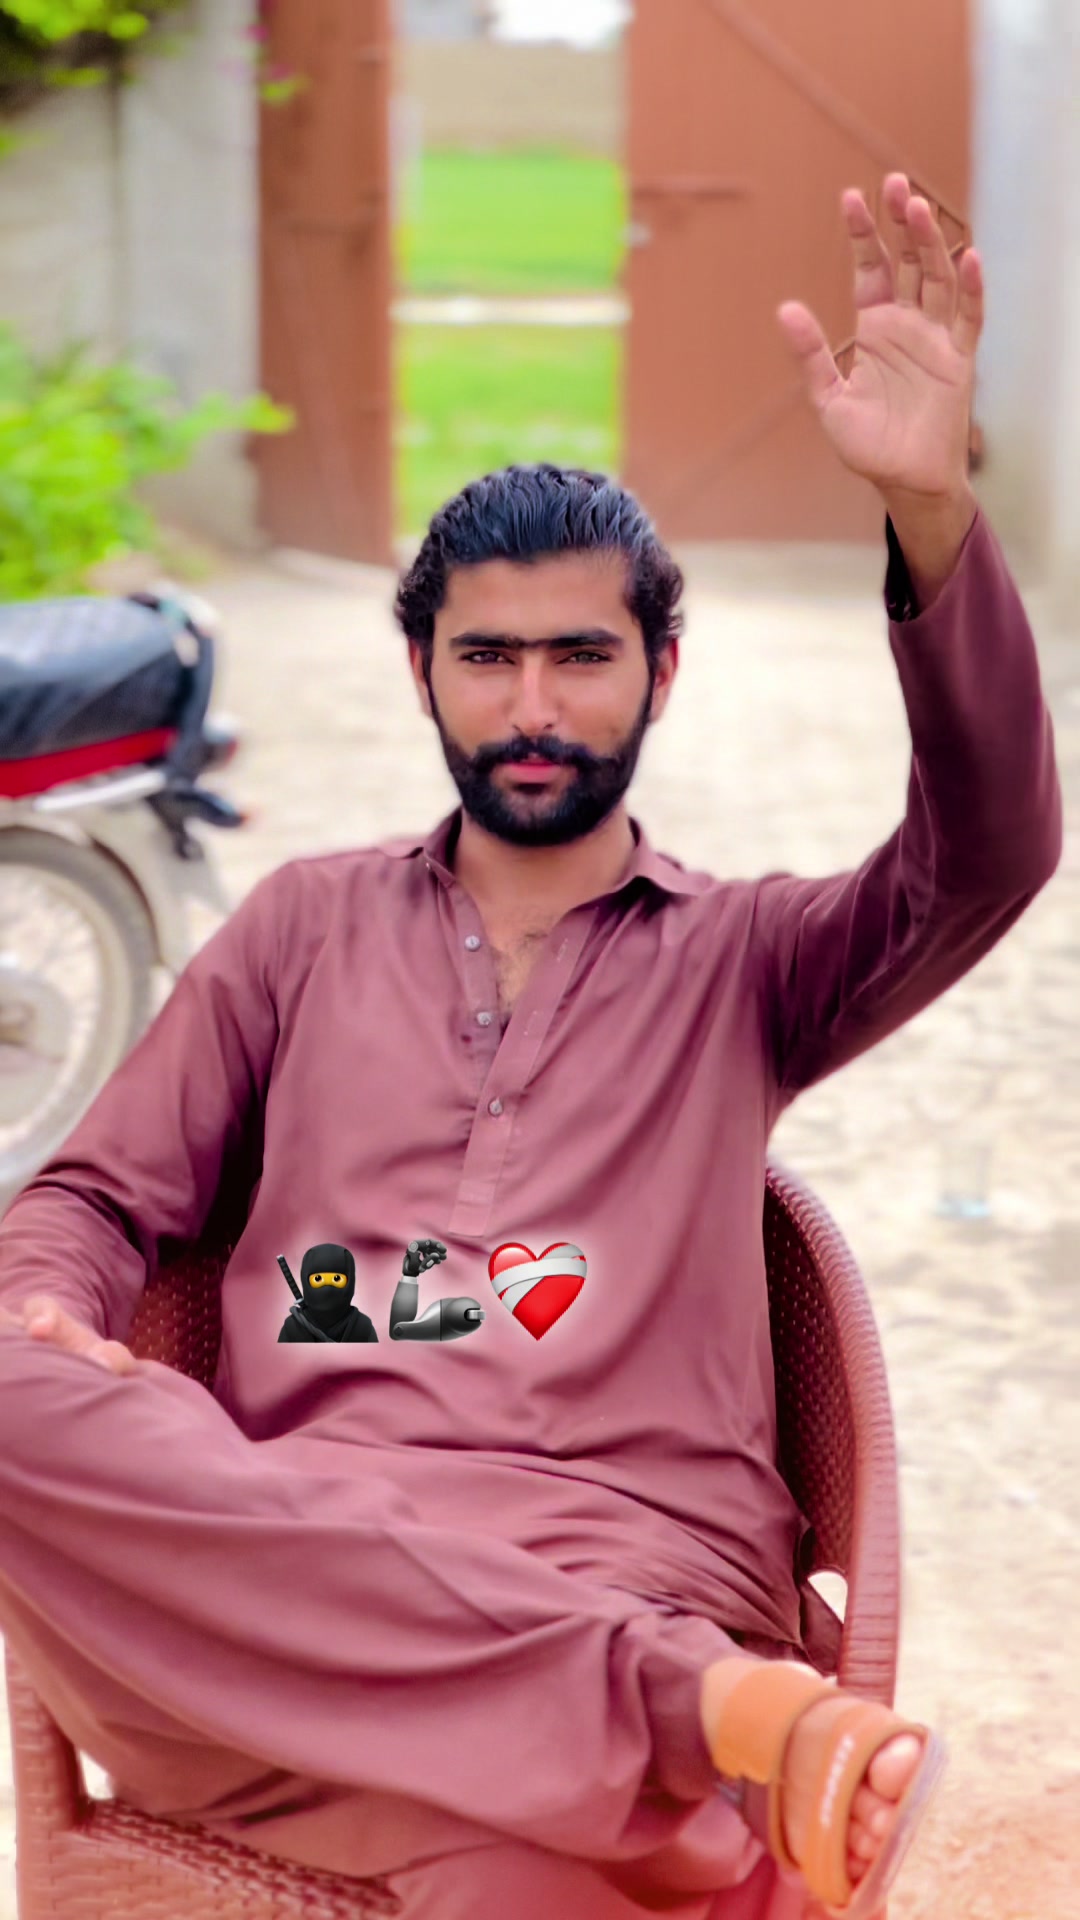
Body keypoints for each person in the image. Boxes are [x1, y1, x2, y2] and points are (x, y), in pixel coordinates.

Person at [0, 173, 1062, 1920]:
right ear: (421, 671)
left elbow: (992, 850)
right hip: (291, 1603)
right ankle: (707, 1731)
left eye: (582, 656)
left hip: (622, 1563)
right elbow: (94, 1198)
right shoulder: (301, 928)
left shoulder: (753, 959)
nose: (536, 708)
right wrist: (52, 1303)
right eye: (488, 658)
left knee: (514, 1879)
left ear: (663, 669)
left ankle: (655, 1730)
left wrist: (932, 511)